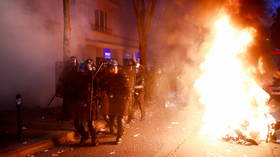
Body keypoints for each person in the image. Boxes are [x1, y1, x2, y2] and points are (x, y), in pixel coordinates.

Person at [71, 60, 99, 145]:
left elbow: (98, 91)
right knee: (77, 123)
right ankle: (85, 135)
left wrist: (91, 98)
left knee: (90, 123)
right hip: (79, 102)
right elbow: (74, 90)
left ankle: (94, 139)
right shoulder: (77, 78)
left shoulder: (94, 78)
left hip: (90, 102)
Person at [103, 60, 130, 144]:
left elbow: (126, 89)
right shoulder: (109, 76)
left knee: (120, 119)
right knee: (111, 118)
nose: (111, 70)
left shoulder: (122, 76)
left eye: (113, 68)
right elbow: (106, 86)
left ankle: (119, 137)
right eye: (110, 68)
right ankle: (118, 130)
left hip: (122, 100)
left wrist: (121, 96)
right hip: (113, 100)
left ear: (116, 67)